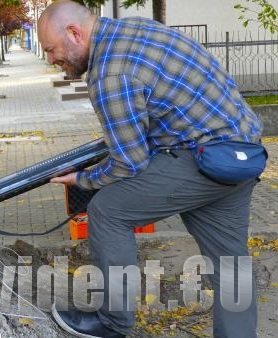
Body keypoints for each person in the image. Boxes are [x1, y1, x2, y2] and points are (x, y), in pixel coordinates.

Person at [38, 1, 263, 338]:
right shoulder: (136, 29)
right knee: (231, 267)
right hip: (242, 153)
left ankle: (112, 322)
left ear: (74, 33)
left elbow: (129, 163)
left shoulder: (109, 72)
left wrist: (83, 178)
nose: (52, 60)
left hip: (203, 156)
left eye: (51, 50)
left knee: (108, 211)